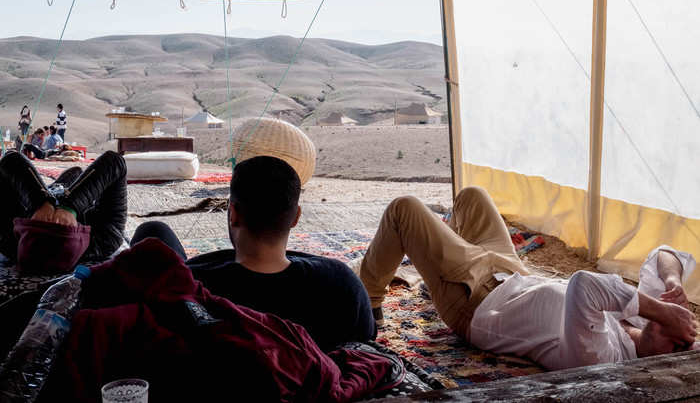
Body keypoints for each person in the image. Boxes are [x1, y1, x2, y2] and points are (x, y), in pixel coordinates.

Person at [360, 187, 698, 370]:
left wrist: (663, 312)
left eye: (679, 345)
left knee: (404, 210)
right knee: (472, 198)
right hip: (512, 273)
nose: (677, 333)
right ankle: (437, 256)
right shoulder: (644, 316)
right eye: (686, 334)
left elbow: (585, 285)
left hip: (474, 299)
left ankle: (368, 298)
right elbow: (665, 254)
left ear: (660, 363)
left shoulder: (602, 359)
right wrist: (673, 286)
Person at [131, 155, 376, 352]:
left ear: (233, 214)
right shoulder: (342, 283)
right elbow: (366, 341)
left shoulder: (188, 286)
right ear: (296, 217)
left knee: (153, 232)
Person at [0, 150, 127, 263]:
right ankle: (61, 192)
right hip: (67, 193)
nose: (54, 220)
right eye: (60, 224)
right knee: (76, 172)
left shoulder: (9, 241)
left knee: (73, 174)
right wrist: (71, 206)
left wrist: (39, 203)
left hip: (50, 192)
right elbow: (114, 161)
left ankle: (54, 192)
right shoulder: (105, 240)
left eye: (42, 222)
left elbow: (11, 158)